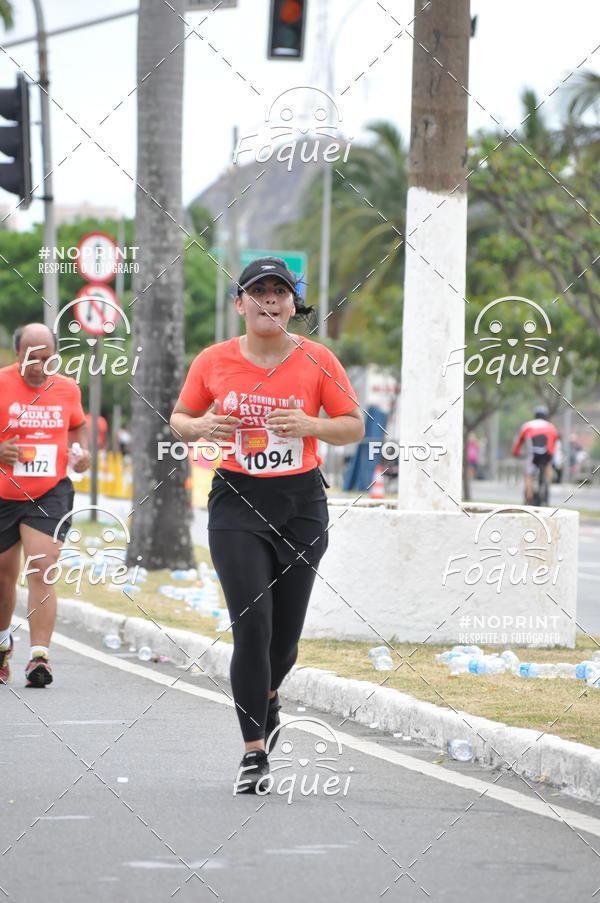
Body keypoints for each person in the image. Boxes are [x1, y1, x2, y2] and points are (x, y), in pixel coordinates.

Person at [170, 256, 364, 794]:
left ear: (291, 305)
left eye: (278, 292)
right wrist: (204, 424)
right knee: (251, 628)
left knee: (284, 644)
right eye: (258, 293)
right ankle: (254, 752)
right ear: (240, 304)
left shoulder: (318, 359)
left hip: (300, 503)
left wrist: (310, 425)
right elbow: (180, 419)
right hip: (236, 500)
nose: (268, 301)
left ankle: (270, 694)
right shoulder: (214, 360)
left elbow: (352, 427)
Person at [0, 324, 90, 688]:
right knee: (4, 575)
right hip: (4, 492)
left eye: (46, 358)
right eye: (30, 358)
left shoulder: (67, 389)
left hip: (49, 491)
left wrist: (82, 458)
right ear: (17, 355)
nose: (39, 366)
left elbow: (77, 435)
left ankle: (40, 657)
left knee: (42, 567)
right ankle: (3, 642)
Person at [512, 405, 558, 505]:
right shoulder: (551, 426)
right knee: (548, 467)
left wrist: (515, 452)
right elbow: (555, 442)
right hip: (547, 455)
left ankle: (529, 498)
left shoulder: (527, 425)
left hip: (533, 455)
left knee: (528, 475)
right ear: (545, 416)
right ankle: (546, 486)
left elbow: (520, 441)